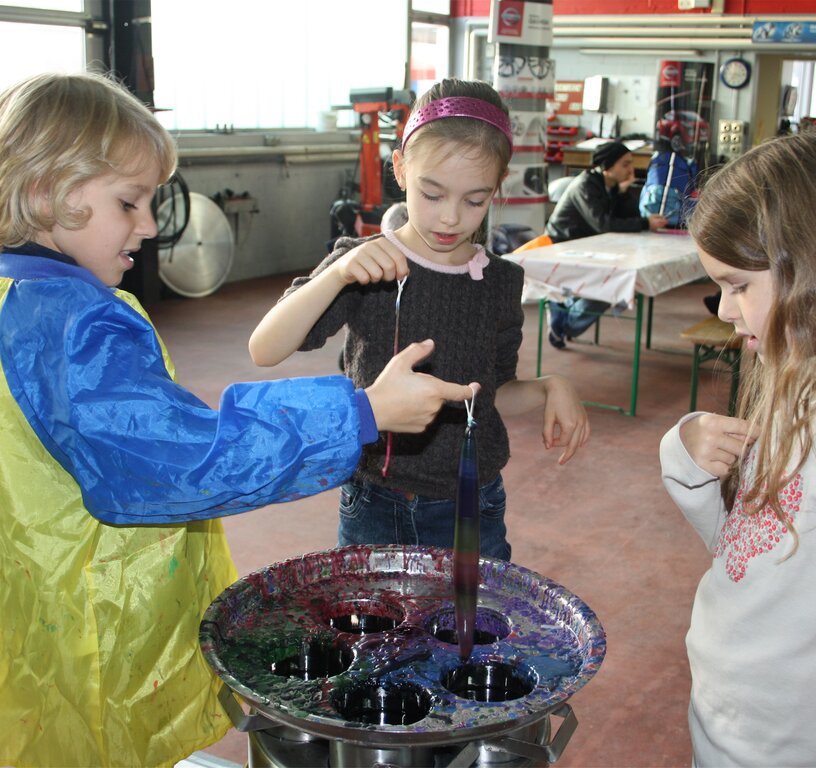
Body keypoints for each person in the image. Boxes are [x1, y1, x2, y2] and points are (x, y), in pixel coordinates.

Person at [0, 72, 478, 768]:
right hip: (84, 616)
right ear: (46, 191)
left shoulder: (15, 293)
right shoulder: (71, 323)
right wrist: (361, 410)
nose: (149, 225)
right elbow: (177, 458)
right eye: (128, 202)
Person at [250, 78, 590, 562]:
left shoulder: (499, 283)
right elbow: (265, 348)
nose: (450, 218)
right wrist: (337, 276)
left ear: (498, 186)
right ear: (401, 169)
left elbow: (490, 394)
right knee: (374, 634)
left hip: (471, 504)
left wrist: (550, 386)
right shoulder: (365, 263)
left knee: (467, 636)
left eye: (474, 200)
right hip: (374, 501)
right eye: (432, 194)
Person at [659, 130, 816, 766]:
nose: (726, 310)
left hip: (784, 744)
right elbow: (750, 550)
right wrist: (686, 460)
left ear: (815, 266)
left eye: (737, 285)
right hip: (727, 714)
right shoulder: (797, 383)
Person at [544, 140, 668, 349]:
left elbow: (627, 216)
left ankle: (563, 309)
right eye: (625, 164)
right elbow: (604, 224)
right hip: (562, 247)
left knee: (612, 285)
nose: (631, 169)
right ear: (608, 167)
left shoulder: (609, 186)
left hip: (588, 248)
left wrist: (624, 192)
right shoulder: (585, 185)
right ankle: (565, 323)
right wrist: (645, 223)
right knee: (611, 286)